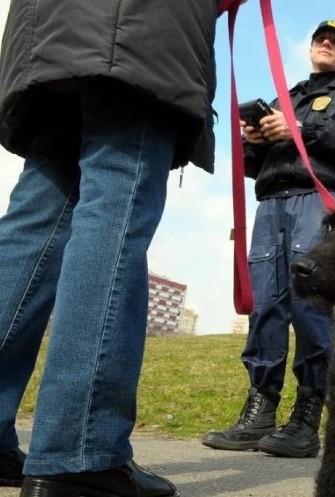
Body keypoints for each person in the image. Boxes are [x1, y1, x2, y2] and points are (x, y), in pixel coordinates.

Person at [0, 0, 225, 495]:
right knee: (115, 198)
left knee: (36, 216)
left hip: (49, 27)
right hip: (139, 28)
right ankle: (79, 451)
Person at [201, 19, 335, 458]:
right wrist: (254, 141)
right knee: (265, 307)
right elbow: (253, 166)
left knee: (311, 306)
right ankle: (259, 410)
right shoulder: (287, 98)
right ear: (310, 47)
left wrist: (301, 129)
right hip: (272, 205)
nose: (326, 44)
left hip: (319, 204)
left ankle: (306, 415)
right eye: (321, 38)